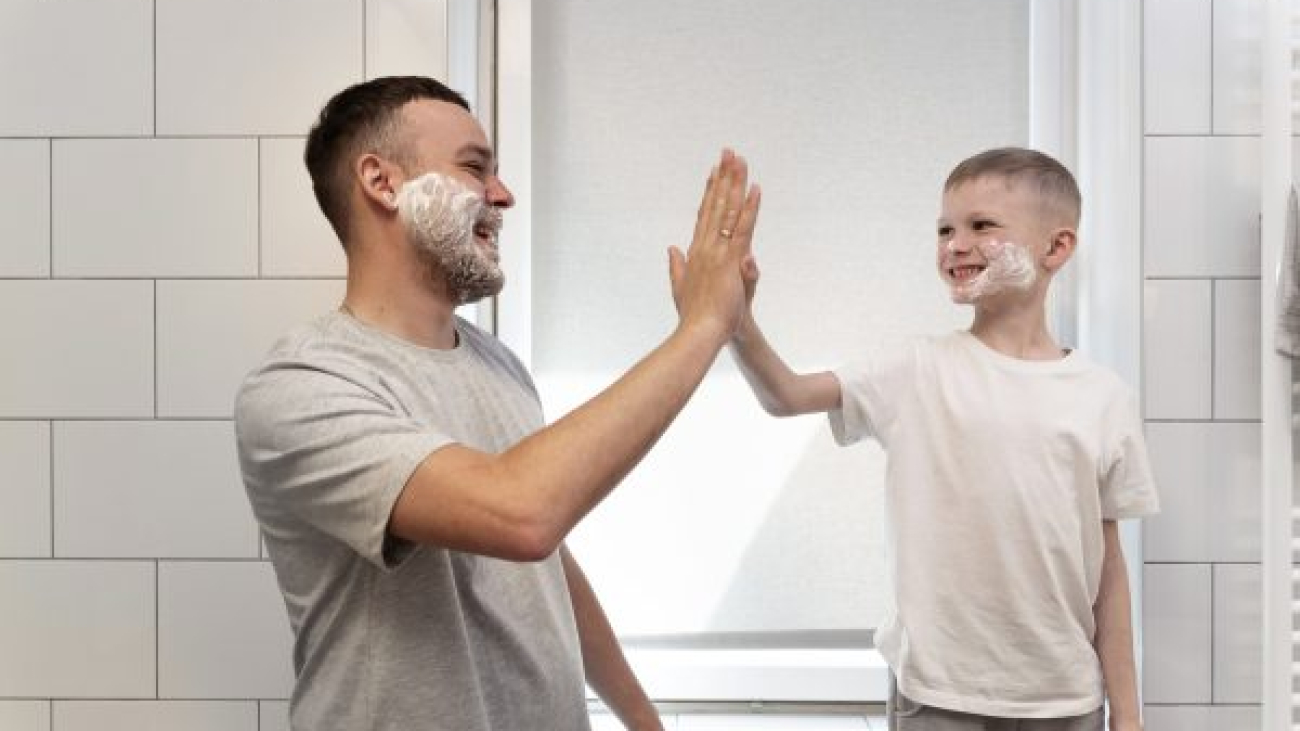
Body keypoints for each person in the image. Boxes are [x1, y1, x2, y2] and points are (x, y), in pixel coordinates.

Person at [233, 75, 759, 731]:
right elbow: (522, 514)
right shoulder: (301, 385)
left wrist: (643, 720)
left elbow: (543, 563)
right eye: (475, 168)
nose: (503, 195)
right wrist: (702, 328)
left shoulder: (500, 366)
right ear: (382, 182)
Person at [720, 148, 1158, 731]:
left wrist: (1127, 716)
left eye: (981, 226)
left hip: (1064, 698)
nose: (954, 244)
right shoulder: (916, 370)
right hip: (940, 693)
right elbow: (786, 395)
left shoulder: (1102, 398)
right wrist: (735, 321)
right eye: (944, 229)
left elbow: (1108, 572)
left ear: (1056, 248)